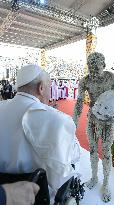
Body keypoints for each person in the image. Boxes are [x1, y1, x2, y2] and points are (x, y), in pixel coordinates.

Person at [0, 64, 80, 203]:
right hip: (35, 195)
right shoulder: (58, 119)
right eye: (49, 87)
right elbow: (70, 160)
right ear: (41, 88)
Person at [73, 52, 114, 203]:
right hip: (92, 118)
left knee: (107, 152)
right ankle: (94, 177)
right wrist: (74, 120)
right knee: (92, 149)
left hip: (108, 121)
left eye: (96, 68)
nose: (93, 72)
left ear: (103, 65)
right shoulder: (85, 80)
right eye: (90, 68)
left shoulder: (113, 78)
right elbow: (79, 102)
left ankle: (106, 183)